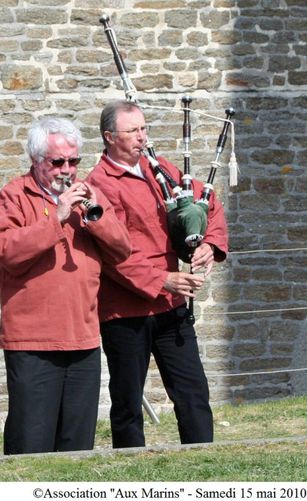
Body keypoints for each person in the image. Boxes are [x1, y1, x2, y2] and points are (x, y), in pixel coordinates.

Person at [85, 100, 229, 448]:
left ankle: (202, 456)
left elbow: (204, 202)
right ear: (109, 137)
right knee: (127, 399)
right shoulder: (98, 184)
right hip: (125, 309)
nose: (142, 138)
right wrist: (160, 278)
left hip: (171, 304)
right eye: (133, 131)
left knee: (192, 390)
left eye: (144, 129)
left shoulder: (158, 168)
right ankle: (131, 462)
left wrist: (210, 242)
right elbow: (109, 252)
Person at [0, 117, 131, 455]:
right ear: (36, 161)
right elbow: (6, 250)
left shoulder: (89, 196)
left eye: (74, 161)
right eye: (57, 162)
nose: (67, 170)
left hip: (82, 338)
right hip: (32, 341)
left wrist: (95, 218)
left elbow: (122, 249)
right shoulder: (14, 195)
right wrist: (57, 217)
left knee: (77, 446)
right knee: (31, 444)